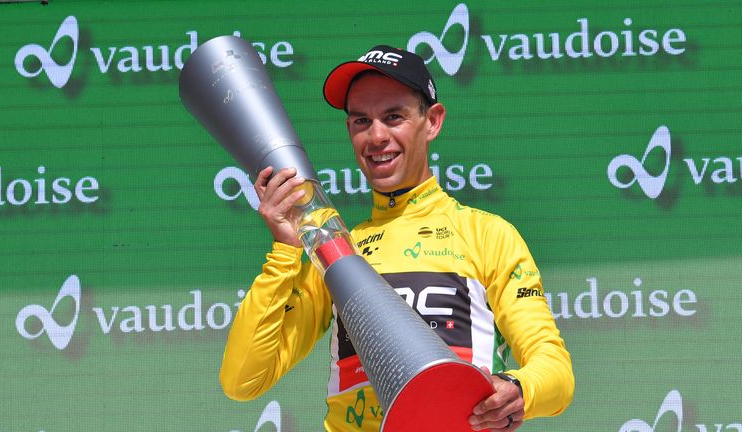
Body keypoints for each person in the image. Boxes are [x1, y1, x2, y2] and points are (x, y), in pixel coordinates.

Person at [220, 45, 574, 431]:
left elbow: (555, 371)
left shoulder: (487, 235)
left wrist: (518, 388)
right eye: (361, 121)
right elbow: (242, 380)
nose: (376, 137)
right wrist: (286, 251)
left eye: (394, 117)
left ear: (433, 121)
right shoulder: (337, 251)